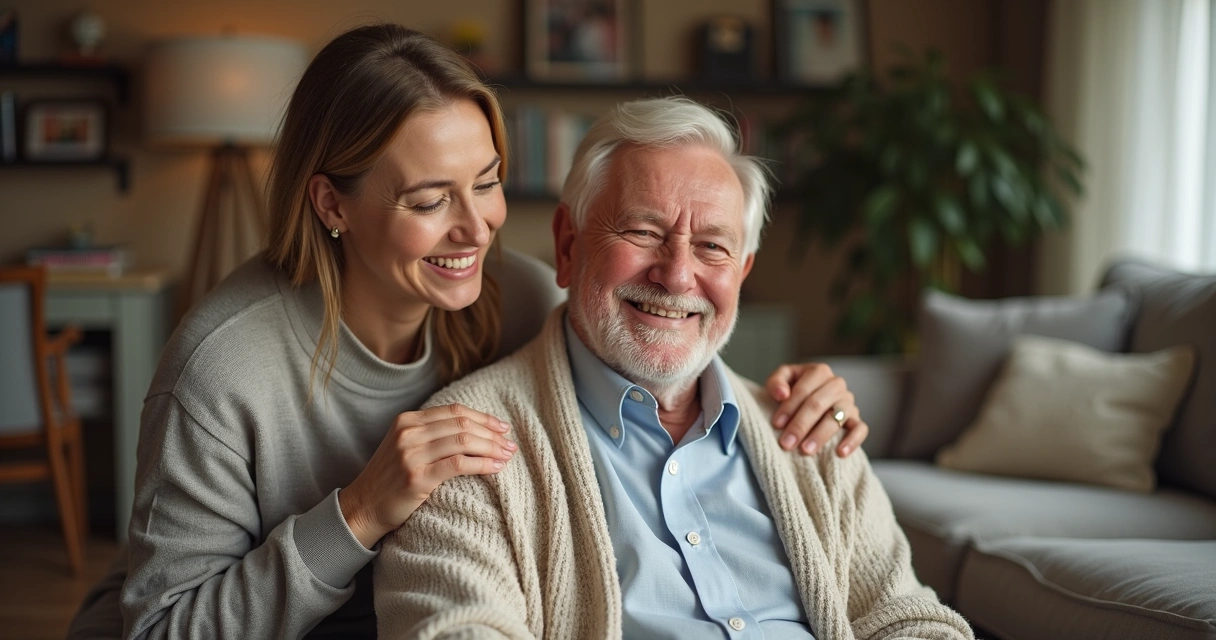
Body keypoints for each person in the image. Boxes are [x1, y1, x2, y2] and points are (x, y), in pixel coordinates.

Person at [67, 25, 869, 640]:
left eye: (485, 184)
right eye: (427, 200)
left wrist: (787, 397)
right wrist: (359, 512)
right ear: (331, 205)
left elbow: (650, 340)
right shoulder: (224, 365)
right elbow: (163, 626)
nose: (474, 230)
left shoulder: (511, 295)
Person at [374, 97, 973, 639]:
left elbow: (907, 616)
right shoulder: (463, 446)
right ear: (567, 246)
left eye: (713, 246)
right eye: (642, 231)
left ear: (742, 271)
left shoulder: (810, 430)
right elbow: (455, 628)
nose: (679, 275)